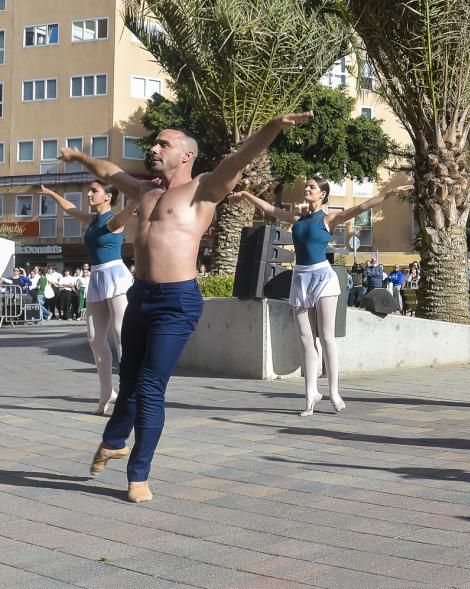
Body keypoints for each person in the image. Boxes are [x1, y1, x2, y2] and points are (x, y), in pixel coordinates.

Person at [68, 112, 313, 504]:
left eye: (163, 144)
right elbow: (111, 171)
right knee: (128, 377)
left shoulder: (204, 189)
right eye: (155, 143)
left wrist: (274, 126)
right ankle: (114, 441)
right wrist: (80, 158)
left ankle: (138, 474)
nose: (154, 148)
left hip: (177, 302)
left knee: (149, 386)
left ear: (185, 156)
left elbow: (239, 159)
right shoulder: (145, 191)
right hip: (140, 296)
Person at [231, 178, 410, 415]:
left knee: (326, 337)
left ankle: (334, 391)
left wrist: (389, 194)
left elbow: (362, 207)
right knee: (306, 339)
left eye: (312, 187)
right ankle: (311, 395)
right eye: (306, 186)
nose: (307, 189)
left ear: (322, 195)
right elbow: (269, 209)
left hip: (323, 278)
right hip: (301, 279)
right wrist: (245, 194)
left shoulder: (329, 219)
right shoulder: (297, 220)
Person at [39, 183, 135, 414]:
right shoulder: (93, 220)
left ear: (108, 197)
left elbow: (129, 209)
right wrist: (51, 193)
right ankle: (106, 392)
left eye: (94, 191)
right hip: (97, 277)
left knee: (122, 333)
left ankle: (130, 393)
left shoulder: (114, 221)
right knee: (94, 337)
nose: (89, 194)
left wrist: (142, 195)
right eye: (89, 191)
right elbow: (70, 208)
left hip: (115, 276)